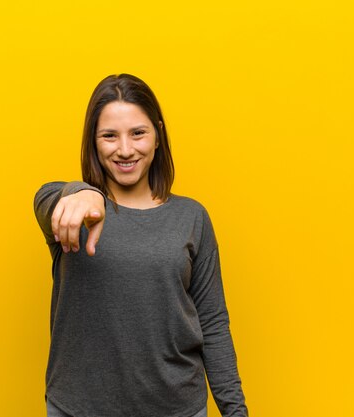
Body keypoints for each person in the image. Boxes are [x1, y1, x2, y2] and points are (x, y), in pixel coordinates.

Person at [33, 73, 249, 417]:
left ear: (158, 136)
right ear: (93, 141)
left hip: (177, 408)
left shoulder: (191, 217)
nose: (125, 149)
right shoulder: (73, 212)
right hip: (79, 408)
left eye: (138, 133)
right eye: (109, 136)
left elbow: (212, 322)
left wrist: (235, 411)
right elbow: (44, 199)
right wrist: (80, 192)